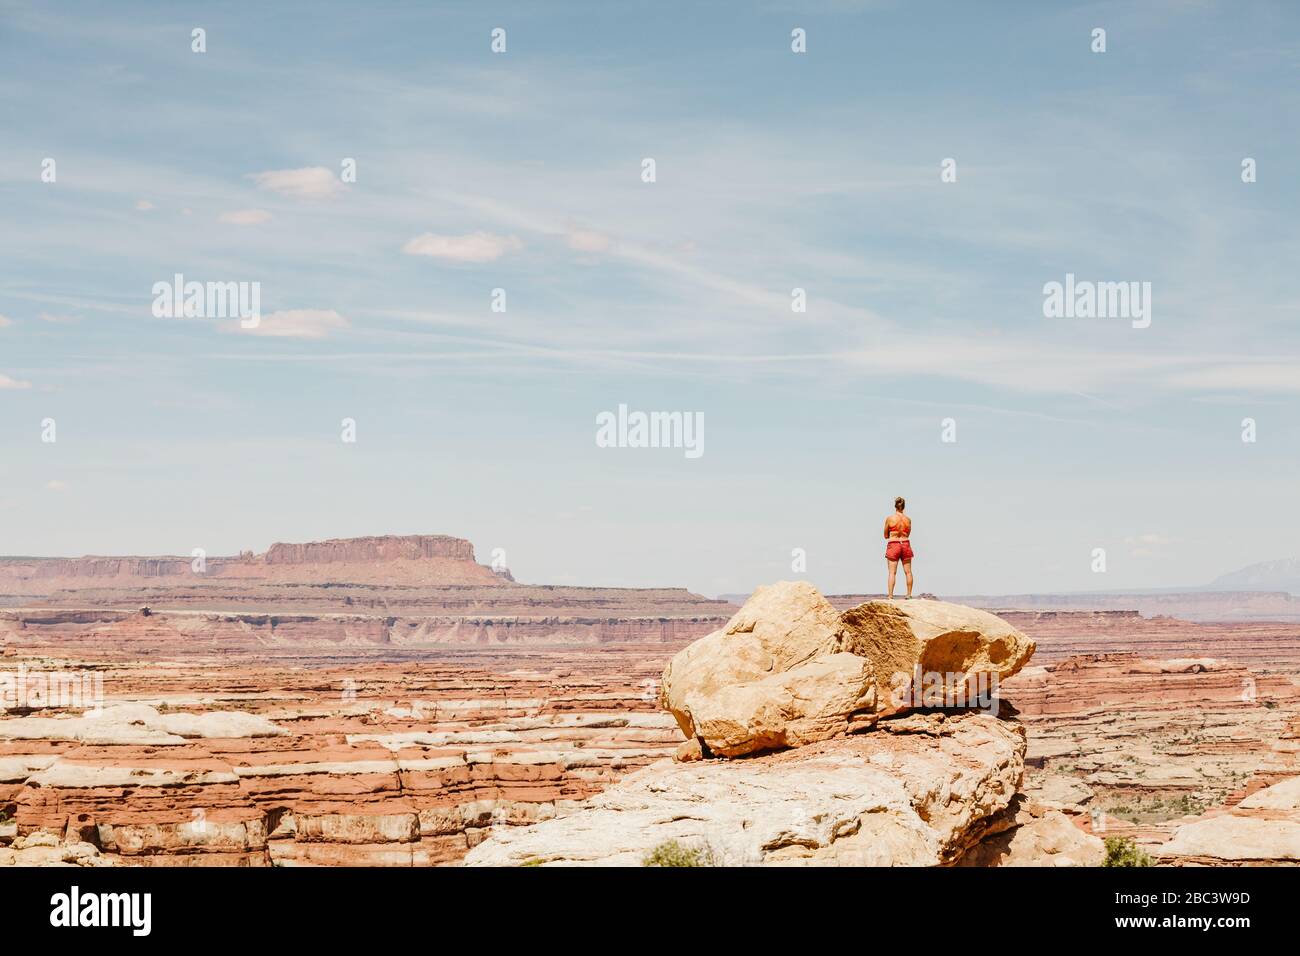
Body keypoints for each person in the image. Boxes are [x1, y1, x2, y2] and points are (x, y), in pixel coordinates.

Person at [883, 496, 913, 599]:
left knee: (892, 572)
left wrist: (893, 535)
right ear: (904, 507)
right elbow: (908, 533)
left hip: (894, 544)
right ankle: (908, 594)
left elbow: (885, 535)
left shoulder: (890, 518)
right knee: (908, 572)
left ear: (895, 506)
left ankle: (890, 596)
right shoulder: (908, 520)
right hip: (905, 543)